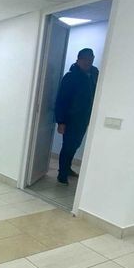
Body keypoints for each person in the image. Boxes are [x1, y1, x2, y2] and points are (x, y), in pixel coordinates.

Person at [54, 47, 99, 184]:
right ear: (78, 60)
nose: (87, 62)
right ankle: (62, 174)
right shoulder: (70, 77)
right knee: (68, 146)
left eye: (90, 59)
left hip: (84, 118)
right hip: (70, 119)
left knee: (75, 145)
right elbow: (61, 100)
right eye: (84, 59)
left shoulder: (94, 74)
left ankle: (67, 168)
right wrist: (61, 122)